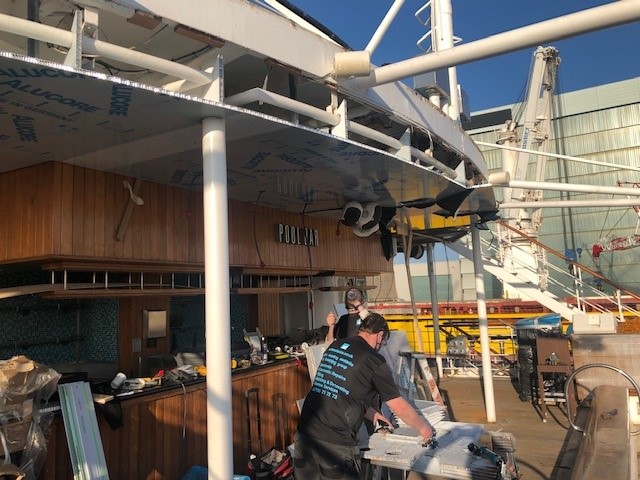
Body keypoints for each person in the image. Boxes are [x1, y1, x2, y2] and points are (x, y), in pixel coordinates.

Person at [294, 313, 434, 480]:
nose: (382, 346)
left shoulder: (336, 345)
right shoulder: (374, 360)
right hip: (334, 445)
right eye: (383, 342)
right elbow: (398, 405)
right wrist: (424, 429)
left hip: (305, 434)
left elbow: (339, 390)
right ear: (380, 335)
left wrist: (373, 414)